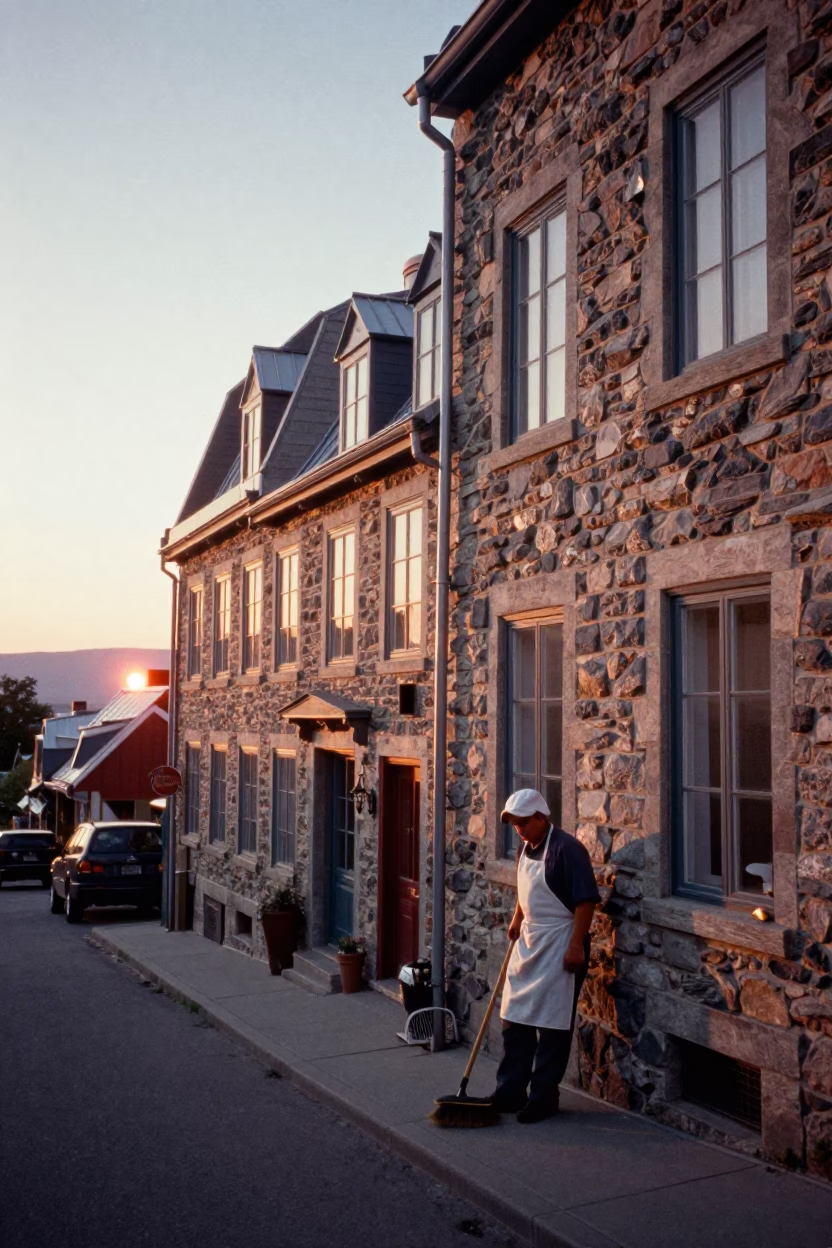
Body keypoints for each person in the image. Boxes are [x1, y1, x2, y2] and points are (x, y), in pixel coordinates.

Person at [490, 788, 600, 1123]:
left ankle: (542, 1097)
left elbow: (585, 901)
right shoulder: (525, 849)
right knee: (514, 1017)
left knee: (552, 1025)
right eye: (514, 824)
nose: (519, 829)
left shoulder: (568, 850)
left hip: (562, 940)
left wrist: (576, 945)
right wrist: (516, 919)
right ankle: (509, 1091)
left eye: (524, 822)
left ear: (541, 817)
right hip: (530, 939)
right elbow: (526, 892)